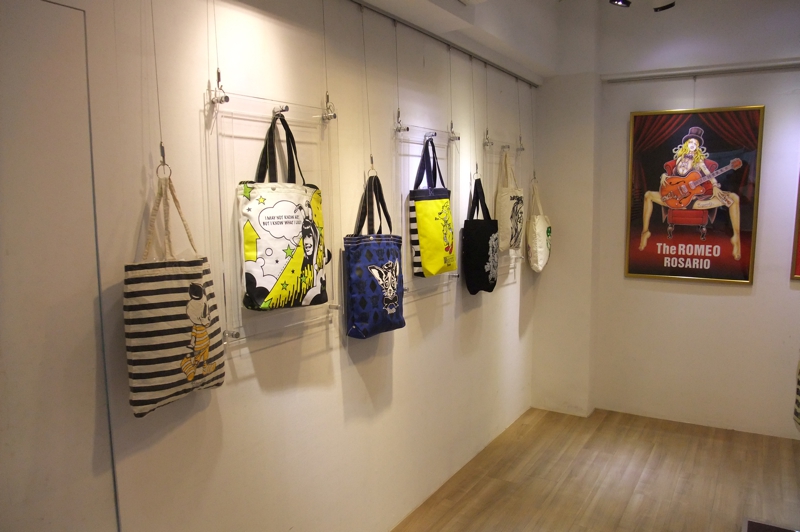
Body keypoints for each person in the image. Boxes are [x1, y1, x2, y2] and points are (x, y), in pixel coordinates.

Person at [638, 127, 741, 260]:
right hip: (673, 199)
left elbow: (709, 174)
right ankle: (645, 231)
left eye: (696, 143)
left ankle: (736, 237)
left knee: (734, 198)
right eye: (691, 142)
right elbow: (672, 177)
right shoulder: (678, 159)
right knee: (648, 195)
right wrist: (663, 176)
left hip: (693, 201)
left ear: (698, 147)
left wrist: (715, 186)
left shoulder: (699, 162)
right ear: (686, 144)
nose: (693, 145)